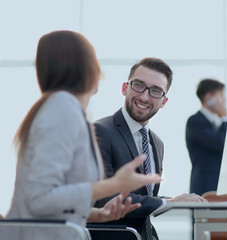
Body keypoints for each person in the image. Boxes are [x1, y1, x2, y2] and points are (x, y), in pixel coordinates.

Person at [3, 31, 161, 240]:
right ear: (84, 66)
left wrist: (98, 215)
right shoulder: (61, 111)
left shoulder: (64, 109)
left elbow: (55, 202)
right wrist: (114, 185)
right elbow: (40, 199)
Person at [93, 57, 207, 240]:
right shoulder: (100, 131)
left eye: (155, 91)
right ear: (125, 88)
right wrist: (169, 202)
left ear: (164, 101)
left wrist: (179, 201)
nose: (144, 96)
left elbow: (143, 197)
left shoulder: (157, 143)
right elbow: (104, 199)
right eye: (138, 85)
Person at [186, 78, 227, 196]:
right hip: (204, 187)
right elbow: (221, 143)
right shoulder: (195, 121)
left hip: (219, 187)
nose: (223, 100)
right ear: (209, 98)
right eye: (220, 95)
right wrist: (224, 117)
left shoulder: (216, 123)